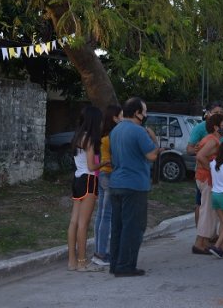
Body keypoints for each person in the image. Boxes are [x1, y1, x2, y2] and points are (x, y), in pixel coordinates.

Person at [109, 97, 162, 277]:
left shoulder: (115, 130)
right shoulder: (139, 131)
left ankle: (115, 263)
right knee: (133, 227)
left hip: (116, 183)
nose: (146, 115)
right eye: (144, 112)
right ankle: (125, 266)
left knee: (118, 226)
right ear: (137, 113)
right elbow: (152, 156)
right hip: (134, 185)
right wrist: (155, 141)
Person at [67, 106, 109, 271]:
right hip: (89, 180)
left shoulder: (78, 137)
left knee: (74, 222)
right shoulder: (90, 140)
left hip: (77, 179)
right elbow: (92, 166)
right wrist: (105, 163)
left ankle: (72, 261)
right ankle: (82, 262)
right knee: (83, 224)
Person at [92, 104, 123, 267]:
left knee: (102, 214)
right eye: (122, 116)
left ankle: (100, 251)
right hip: (109, 175)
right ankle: (101, 253)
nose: (124, 119)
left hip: (104, 175)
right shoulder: (112, 136)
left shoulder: (105, 135)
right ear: (115, 118)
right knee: (106, 215)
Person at [192, 113, 223, 255]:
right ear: (215, 127)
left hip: (205, 178)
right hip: (207, 179)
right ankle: (199, 243)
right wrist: (212, 171)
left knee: (210, 212)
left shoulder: (211, 139)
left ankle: (205, 242)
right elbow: (200, 156)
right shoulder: (212, 141)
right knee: (207, 212)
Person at [186, 102, 223, 229]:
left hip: (218, 172)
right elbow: (190, 150)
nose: (219, 115)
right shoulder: (201, 128)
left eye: (221, 113)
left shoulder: (221, 129)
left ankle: (211, 234)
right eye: (216, 113)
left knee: (215, 205)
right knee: (202, 204)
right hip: (205, 174)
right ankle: (201, 235)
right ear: (208, 113)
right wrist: (200, 151)